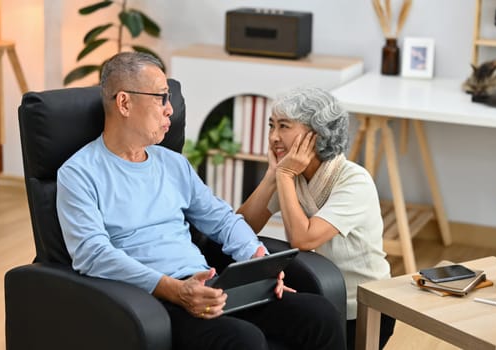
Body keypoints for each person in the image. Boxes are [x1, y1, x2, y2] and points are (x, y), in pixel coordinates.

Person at [56, 52, 346, 350]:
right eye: (160, 98)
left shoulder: (173, 164)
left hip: (206, 285)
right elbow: (92, 254)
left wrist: (257, 259)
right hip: (151, 300)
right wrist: (174, 289)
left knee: (320, 316)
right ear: (124, 103)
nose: (170, 110)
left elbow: (222, 219)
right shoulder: (79, 173)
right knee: (244, 340)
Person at [237, 87, 395, 349]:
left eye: (284, 126)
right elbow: (241, 228)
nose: (274, 137)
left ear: (316, 133)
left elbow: (304, 239)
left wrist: (284, 176)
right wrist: (271, 176)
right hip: (317, 294)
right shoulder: (292, 174)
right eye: (271, 126)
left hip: (362, 306)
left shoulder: (354, 180)